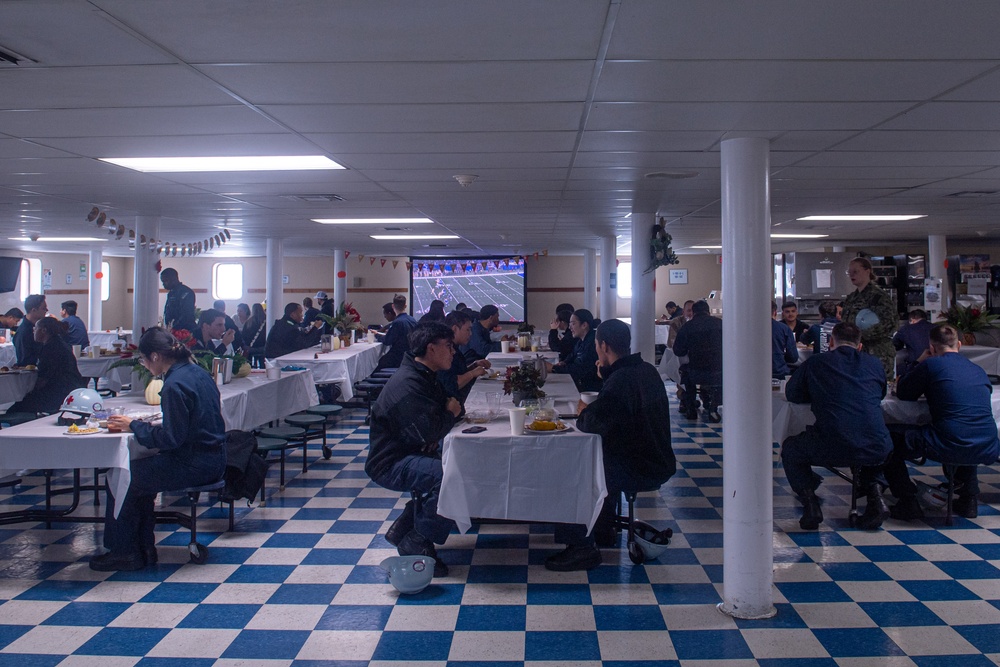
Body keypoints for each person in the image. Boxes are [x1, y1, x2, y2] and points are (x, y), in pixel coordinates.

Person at [91, 328, 227, 571]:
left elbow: (171, 439)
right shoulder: (198, 373)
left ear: (154, 357)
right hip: (215, 457)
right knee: (138, 475)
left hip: (194, 463)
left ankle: (125, 551)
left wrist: (134, 426)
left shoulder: (174, 384)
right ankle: (143, 548)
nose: (143, 365)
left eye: (143, 359)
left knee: (123, 475)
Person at [546, 319, 676, 571]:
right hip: (657, 458)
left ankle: (581, 548)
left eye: (596, 346)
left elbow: (591, 422)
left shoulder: (621, 381)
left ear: (603, 345)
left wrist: (585, 411)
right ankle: (603, 530)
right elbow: (619, 412)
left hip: (637, 465)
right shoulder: (645, 370)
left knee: (569, 467)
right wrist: (605, 375)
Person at [365, 321, 462, 578]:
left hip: (411, 450)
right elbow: (437, 421)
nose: (453, 352)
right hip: (390, 462)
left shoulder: (423, 374)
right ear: (431, 348)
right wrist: (447, 416)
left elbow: (439, 415)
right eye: (449, 346)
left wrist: (441, 421)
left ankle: (404, 527)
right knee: (448, 476)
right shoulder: (409, 382)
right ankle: (417, 540)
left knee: (460, 465)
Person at [781, 322, 893, 531]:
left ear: (830, 342)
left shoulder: (816, 363)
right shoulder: (875, 364)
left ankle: (811, 504)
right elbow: (880, 393)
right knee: (872, 447)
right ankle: (875, 498)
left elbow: (792, 394)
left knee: (791, 449)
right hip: (878, 445)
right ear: (860, 346)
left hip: (832, 444)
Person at [884, 323, 1000, 521]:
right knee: (964, 430)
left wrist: (919, 362)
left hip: (948, 442)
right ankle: (968, 499)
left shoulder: (931, 365)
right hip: (988, 444)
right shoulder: (977, 370)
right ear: (959, 345)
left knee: (886, 439)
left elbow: (904, 392)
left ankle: (907, 500)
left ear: (931, 347)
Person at [8, 317, 85, 414]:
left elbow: (43, 380)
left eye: (35, 329)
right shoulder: (60, 343)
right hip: (71, 388)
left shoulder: (50, 348)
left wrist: (25, 391)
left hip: (58, 393)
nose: (33, 331)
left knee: (15, 409)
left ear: (43, 330)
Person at [842, 257, 899, 380]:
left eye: (855, 271)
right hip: (855, 351)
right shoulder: (851, 298)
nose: (852, 275)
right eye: (849, 272)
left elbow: (889, 323)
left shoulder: (879, 297)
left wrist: (858, 336)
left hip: (877, 351)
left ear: (867, 271)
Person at [672, 300, 722, 422]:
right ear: (709, 312)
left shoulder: (687, 327)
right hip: (718, 372)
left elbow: (678, 351)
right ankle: (713, 407)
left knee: (686, 372)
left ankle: (691, 409)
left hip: (695, 372)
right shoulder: (720, 324)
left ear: (693, 313)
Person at [438, 309, 491, 408]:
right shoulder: (445, 352)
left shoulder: (455, 348)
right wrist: (472, 373)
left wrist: (473, 365)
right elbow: (451, 383)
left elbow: (457, 371)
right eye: (468, 329)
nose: (470, 333)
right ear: (454, 329)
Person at [547, 309, 602, 393]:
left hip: (588, 389)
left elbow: (579, 369)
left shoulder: (592, 343)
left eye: (573, 323)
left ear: (584, 325)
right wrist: (564, 362)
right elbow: (573, 355)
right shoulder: (581, 340)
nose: (569, 327)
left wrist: (554, 368)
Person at [375, 294, 417, 371]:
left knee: (376, 364)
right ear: (405, 306)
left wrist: (376, 335)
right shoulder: (412, 320)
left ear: (393, 306)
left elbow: (387, 341)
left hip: (399, 356)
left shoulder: (397, 322)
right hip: (411, 356)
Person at [893, 308, 933, 378]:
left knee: (896, 369)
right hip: (935, 366)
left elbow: (895, 345)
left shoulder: (906, 329)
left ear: (912, 319)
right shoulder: (936, 328)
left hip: (915, 367)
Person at [160, 268, 197, 332]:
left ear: (173, 279)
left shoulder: (186, 292)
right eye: (162, 282)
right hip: (173, 329)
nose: (163, 284)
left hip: (184, 330)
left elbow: (186, 315)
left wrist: (174, 328)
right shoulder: (171, 293)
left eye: (165, 281)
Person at [15, 294, 47, 366]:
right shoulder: (23, 332)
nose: (46, 311)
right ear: (34, 310)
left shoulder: (39, 327)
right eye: (44, 308)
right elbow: (25, 361)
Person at [771, 301, 799, 379]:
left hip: (755, 372)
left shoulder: (749, 329)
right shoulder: (784, 329)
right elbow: (793, 357)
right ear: (775, 312)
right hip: (779, 371)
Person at [242, 303, 268, 368]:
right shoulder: (267, 321)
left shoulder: (248, 322)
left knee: (249, 363)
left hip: (250, 348)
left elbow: (244, 336)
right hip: (262, 348)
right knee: (263, 364)